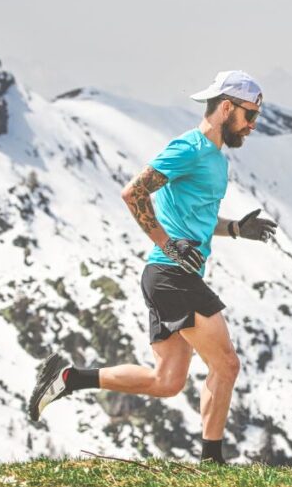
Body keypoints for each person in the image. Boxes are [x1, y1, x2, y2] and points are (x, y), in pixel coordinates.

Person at [27, 70, 277, 465]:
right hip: (170, 275)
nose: (252, 126)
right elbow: (134, 192)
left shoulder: (213, 159)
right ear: (226, 107)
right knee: (226, 364)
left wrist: (235, 228)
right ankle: (212, 464)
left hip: (172, 274)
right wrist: (168, 244)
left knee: (167, 382)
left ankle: (70, 378)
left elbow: (193, 220)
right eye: (250, 116)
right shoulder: (188, 148)